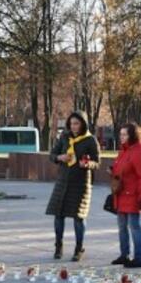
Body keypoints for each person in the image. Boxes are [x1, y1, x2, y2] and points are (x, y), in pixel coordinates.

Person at [45, 111, 100, 261]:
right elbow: (52, 155)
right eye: (71, 123)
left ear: (83, 123)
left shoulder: (90, 140)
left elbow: (97, 162)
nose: (73, 126)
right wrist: (59, 157)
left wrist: (88, 163)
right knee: (58, 214)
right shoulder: (64, 137)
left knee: (79, 217)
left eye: (76, 123)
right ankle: (58, 246)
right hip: (63, 181)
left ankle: (79, 248)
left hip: (81, 183)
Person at [109, 122, 141, 268]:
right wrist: (113, 170)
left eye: (125, 134)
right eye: (120, 134)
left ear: (132, 135)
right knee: (121, 227)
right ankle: (124, 254)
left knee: (134, 227)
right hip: (121, 194)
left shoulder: (139, 150)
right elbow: (121, 167)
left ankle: (139, 257)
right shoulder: (124, 150)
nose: (121, 137)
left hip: (133, 195)